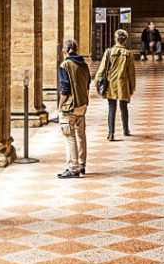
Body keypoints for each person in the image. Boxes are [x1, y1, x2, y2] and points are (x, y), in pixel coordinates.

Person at [57, 38, 91, 179]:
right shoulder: (84, 64)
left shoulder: (65, 65)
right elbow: (88, 83)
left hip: (70, 106)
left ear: (64, 51)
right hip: (82, 104)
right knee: (81, 135)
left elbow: (65, 88)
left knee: (69, 136)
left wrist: (60, 106)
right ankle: (82, 165)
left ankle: (73, 168)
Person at [96, 28, 136, 141]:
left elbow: (102, 69)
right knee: (124, 107)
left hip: (110, 83)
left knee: (111, 107)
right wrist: (132, 86)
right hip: (123, 83)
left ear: (115, 39)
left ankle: (111, 133)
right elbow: (131, 73)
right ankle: (125, 129)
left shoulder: (108, 52)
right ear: (125, 40)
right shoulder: (128, 54)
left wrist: (97, 82)